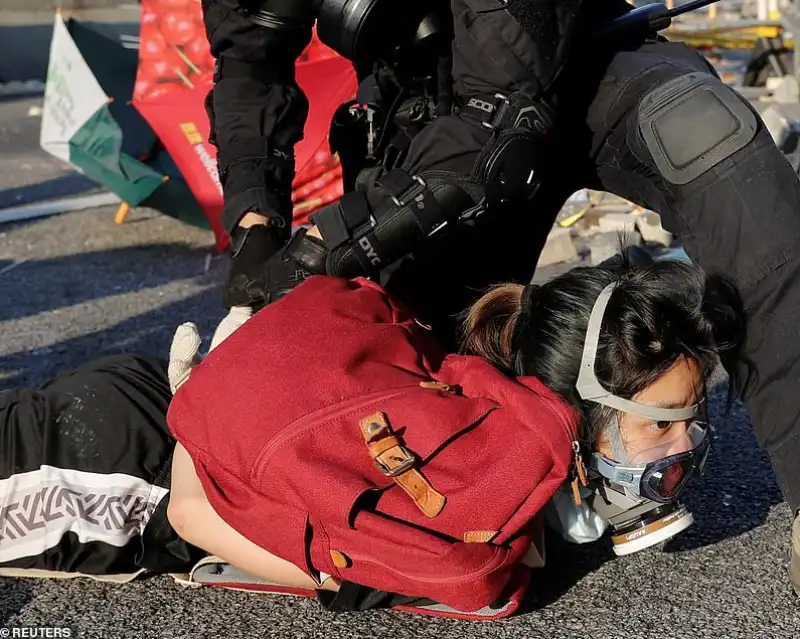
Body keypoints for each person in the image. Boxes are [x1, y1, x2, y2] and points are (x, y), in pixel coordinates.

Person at [201, 0, 800, 593]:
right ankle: (563, 453)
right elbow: (251, 57)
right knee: (381, 371)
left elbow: (497, 113)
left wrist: (319, 250)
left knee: (713, 146)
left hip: (580, 55)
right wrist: (256, 229)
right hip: (428, 96)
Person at [0, 254, 747, 614]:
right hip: (114, 479)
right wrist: (201, 399)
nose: (681, 453)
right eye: (661, 429)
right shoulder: (460, 526)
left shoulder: (472, 414)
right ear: (574, 416)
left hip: (135, 404)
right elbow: (194, 516)